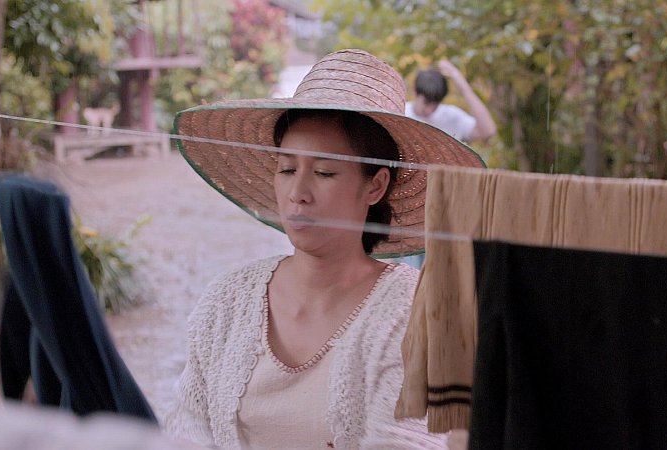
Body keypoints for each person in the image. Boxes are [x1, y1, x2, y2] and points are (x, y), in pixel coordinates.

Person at [163, 49, 484, 449]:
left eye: (324, 172)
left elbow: (406, 441)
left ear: (375, 186)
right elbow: (186, 428)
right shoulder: (228, 300)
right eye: (286, 169)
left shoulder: (415, 312)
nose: (298, 192)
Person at [406, 60, 497, 143]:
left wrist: (463, 86)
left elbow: (488, 131)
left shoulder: (451, 116)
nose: (429, 110)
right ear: (415, 92)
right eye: (426, 103)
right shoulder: (402, 112)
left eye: (435, 105)